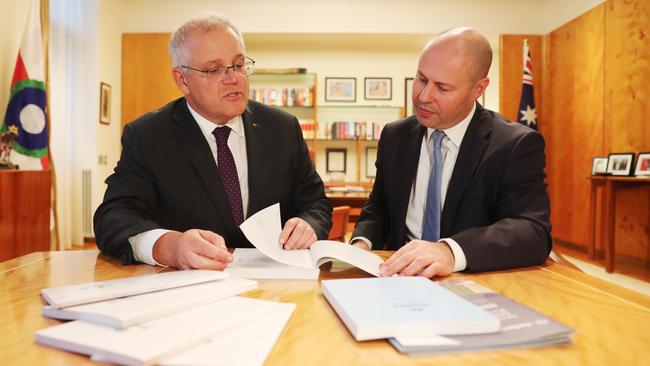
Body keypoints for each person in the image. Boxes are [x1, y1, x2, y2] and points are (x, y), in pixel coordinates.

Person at [94, 13, 331, 270]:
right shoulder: (148, 135)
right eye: (214, 69)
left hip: (274, 284)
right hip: (188, 289)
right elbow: (113, 216)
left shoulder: (282, 128)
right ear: (182, 80)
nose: (234, 78)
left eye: (239, 65)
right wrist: (168, 246)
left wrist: (309, 224)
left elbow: (315, 202)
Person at [351, 27, 552, 277]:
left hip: (472, 280)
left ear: (478, 89)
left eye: (443, 88)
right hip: (396, 278)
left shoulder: (515, 144)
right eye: (422, 79)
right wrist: (361, 244)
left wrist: (450, 251)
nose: (424, 96)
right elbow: (379, 207)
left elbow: (532, 231)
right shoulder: (395, 135)